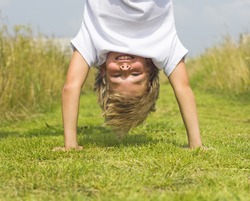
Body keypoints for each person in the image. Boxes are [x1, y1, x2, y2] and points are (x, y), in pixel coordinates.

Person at [54, 0, 203, 151]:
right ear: (149, 68)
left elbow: (71, 86)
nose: (125, 68)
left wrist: (71, 144)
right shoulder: (162, 48)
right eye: (135, 73)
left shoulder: (93, 44)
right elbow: (183, 88)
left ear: (104, 70)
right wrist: (196, 144)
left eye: (117, 75)